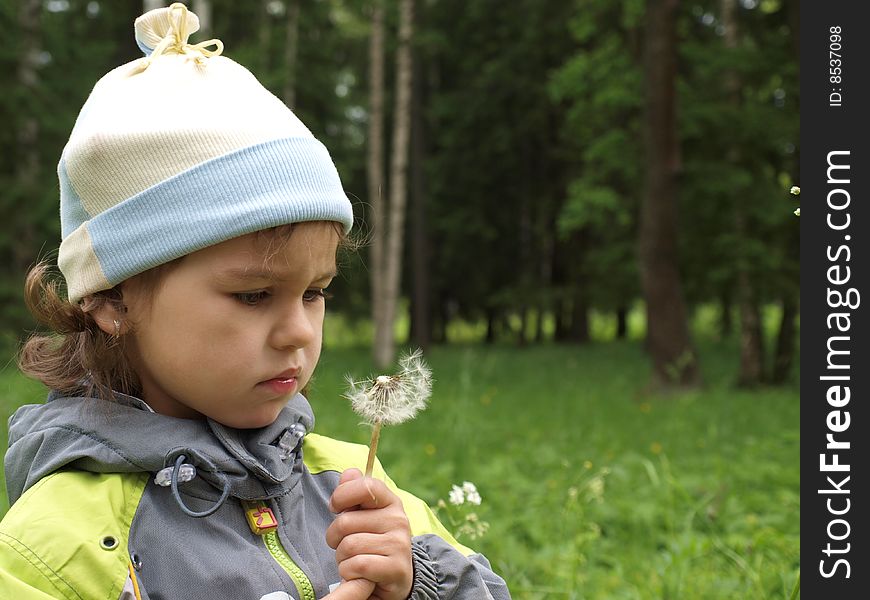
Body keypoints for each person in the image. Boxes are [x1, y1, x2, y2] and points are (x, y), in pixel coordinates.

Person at [0, 4, 511, 600]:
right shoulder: (57, 548)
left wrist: (416, 586)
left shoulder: (354, 491)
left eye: (314, 293)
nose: (298, 332)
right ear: (114, 299)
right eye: (253, 295)